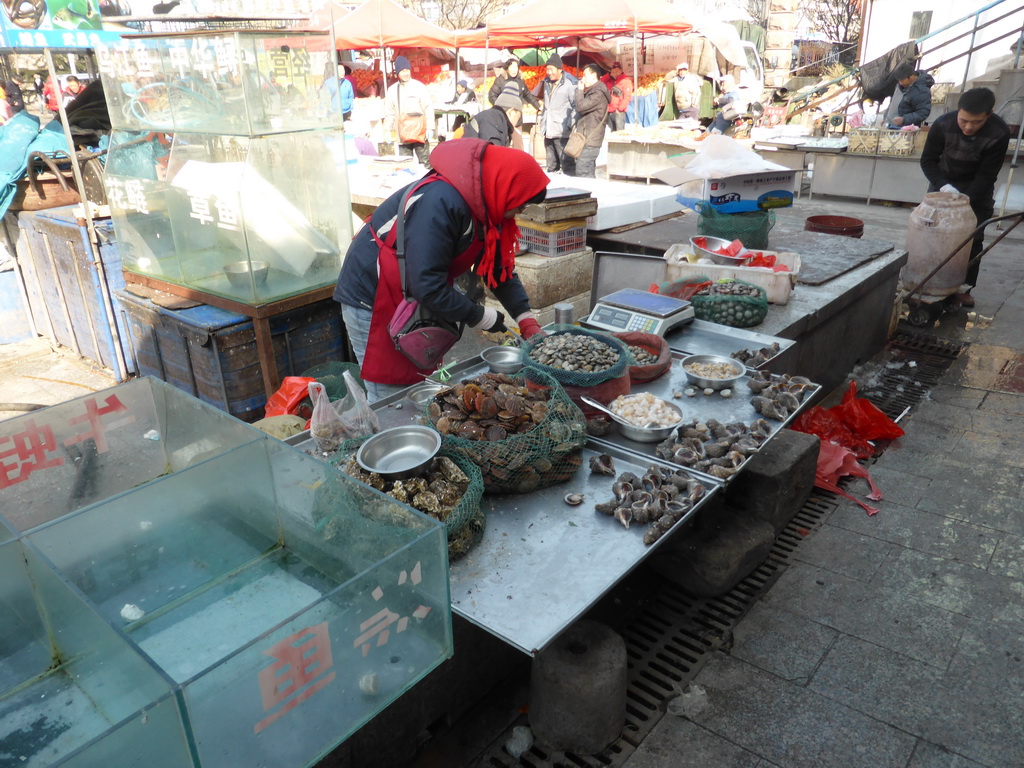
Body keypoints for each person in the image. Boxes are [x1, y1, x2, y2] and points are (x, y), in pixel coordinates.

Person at [333, 138, 549, 401]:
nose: (520, 211)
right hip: (373, 295)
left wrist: (526, 319)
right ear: (506, 188)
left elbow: (497, 267)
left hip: (413, 294)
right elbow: (427, 285)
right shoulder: (441, 201)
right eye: (522, 204)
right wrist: (479, 315)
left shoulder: (487, 206)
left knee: (418, 384)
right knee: (390, 398)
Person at [920, 87, 1012, 307]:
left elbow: (987, 174)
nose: (968, 127)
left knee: (973, 237)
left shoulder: (999, 133)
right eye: (964, 120)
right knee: (932, 233)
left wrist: (966, 199)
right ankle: (928, 280)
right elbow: (928, 161)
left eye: (976, 122)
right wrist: (944, 187)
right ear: (958, 111)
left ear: (989, 115)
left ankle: (965, 287)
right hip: (942, 184)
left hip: (977, 189)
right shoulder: (942, 125)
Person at [385, 55, 432, 168]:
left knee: (425, 164)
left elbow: (428, 107)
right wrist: (387, 130)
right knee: (405, 166)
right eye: (402, 71)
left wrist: (430, 127)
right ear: (397, 74)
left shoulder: (419, 87)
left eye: (407, 70)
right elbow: (389, 113)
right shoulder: (392, 90)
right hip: (402, 135)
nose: (406, 73)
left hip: (419, 133)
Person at [538, 53, 578, 174]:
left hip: (561, 131)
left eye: (551, 69)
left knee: (567, 165)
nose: (549, 72)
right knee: (551, 165)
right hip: (548, 129)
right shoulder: (546, 83)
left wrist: (569, 124)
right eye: (547, 69)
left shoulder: (570, 84)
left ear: (560, 69)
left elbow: (576, 106)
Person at [573, 63, 610, 178]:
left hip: (591, 139)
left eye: (585, 75)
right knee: (587, 171)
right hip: (587, 138)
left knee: (582, 171)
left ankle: (586, 195)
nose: (582, 78)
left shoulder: (598, 93)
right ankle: (591, 194)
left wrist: (579, 90)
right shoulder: (593, 91)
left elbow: (581, 107)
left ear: (594, 76)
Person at [463, 82, 520, 147]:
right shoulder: (492, 120)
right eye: (518, 117)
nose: (517, 123)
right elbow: (494, 153)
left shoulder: (498, 121)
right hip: (469, 155)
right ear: (511, 111)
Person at [889, 62, 934, 128]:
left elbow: (923, 112)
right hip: (891, 125)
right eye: (899, 81)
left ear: (911, 76)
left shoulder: (921, 91)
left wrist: (904, 119)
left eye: (902, 80)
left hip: (907, 129)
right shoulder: (900, 85)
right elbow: (894, 101)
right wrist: (886, 116)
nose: (900, 83)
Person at [599, 61, 632, 132]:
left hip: (619, 112)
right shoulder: (609, 80)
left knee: (619, 133)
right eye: (613, 72)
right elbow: (600, 82)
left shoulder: (626, 81)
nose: (615, 74)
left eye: (617, 71)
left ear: (621, 70)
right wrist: (608, 76)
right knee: (609, 132)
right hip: (609, 110)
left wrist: (620, 109)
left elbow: (627, 97)